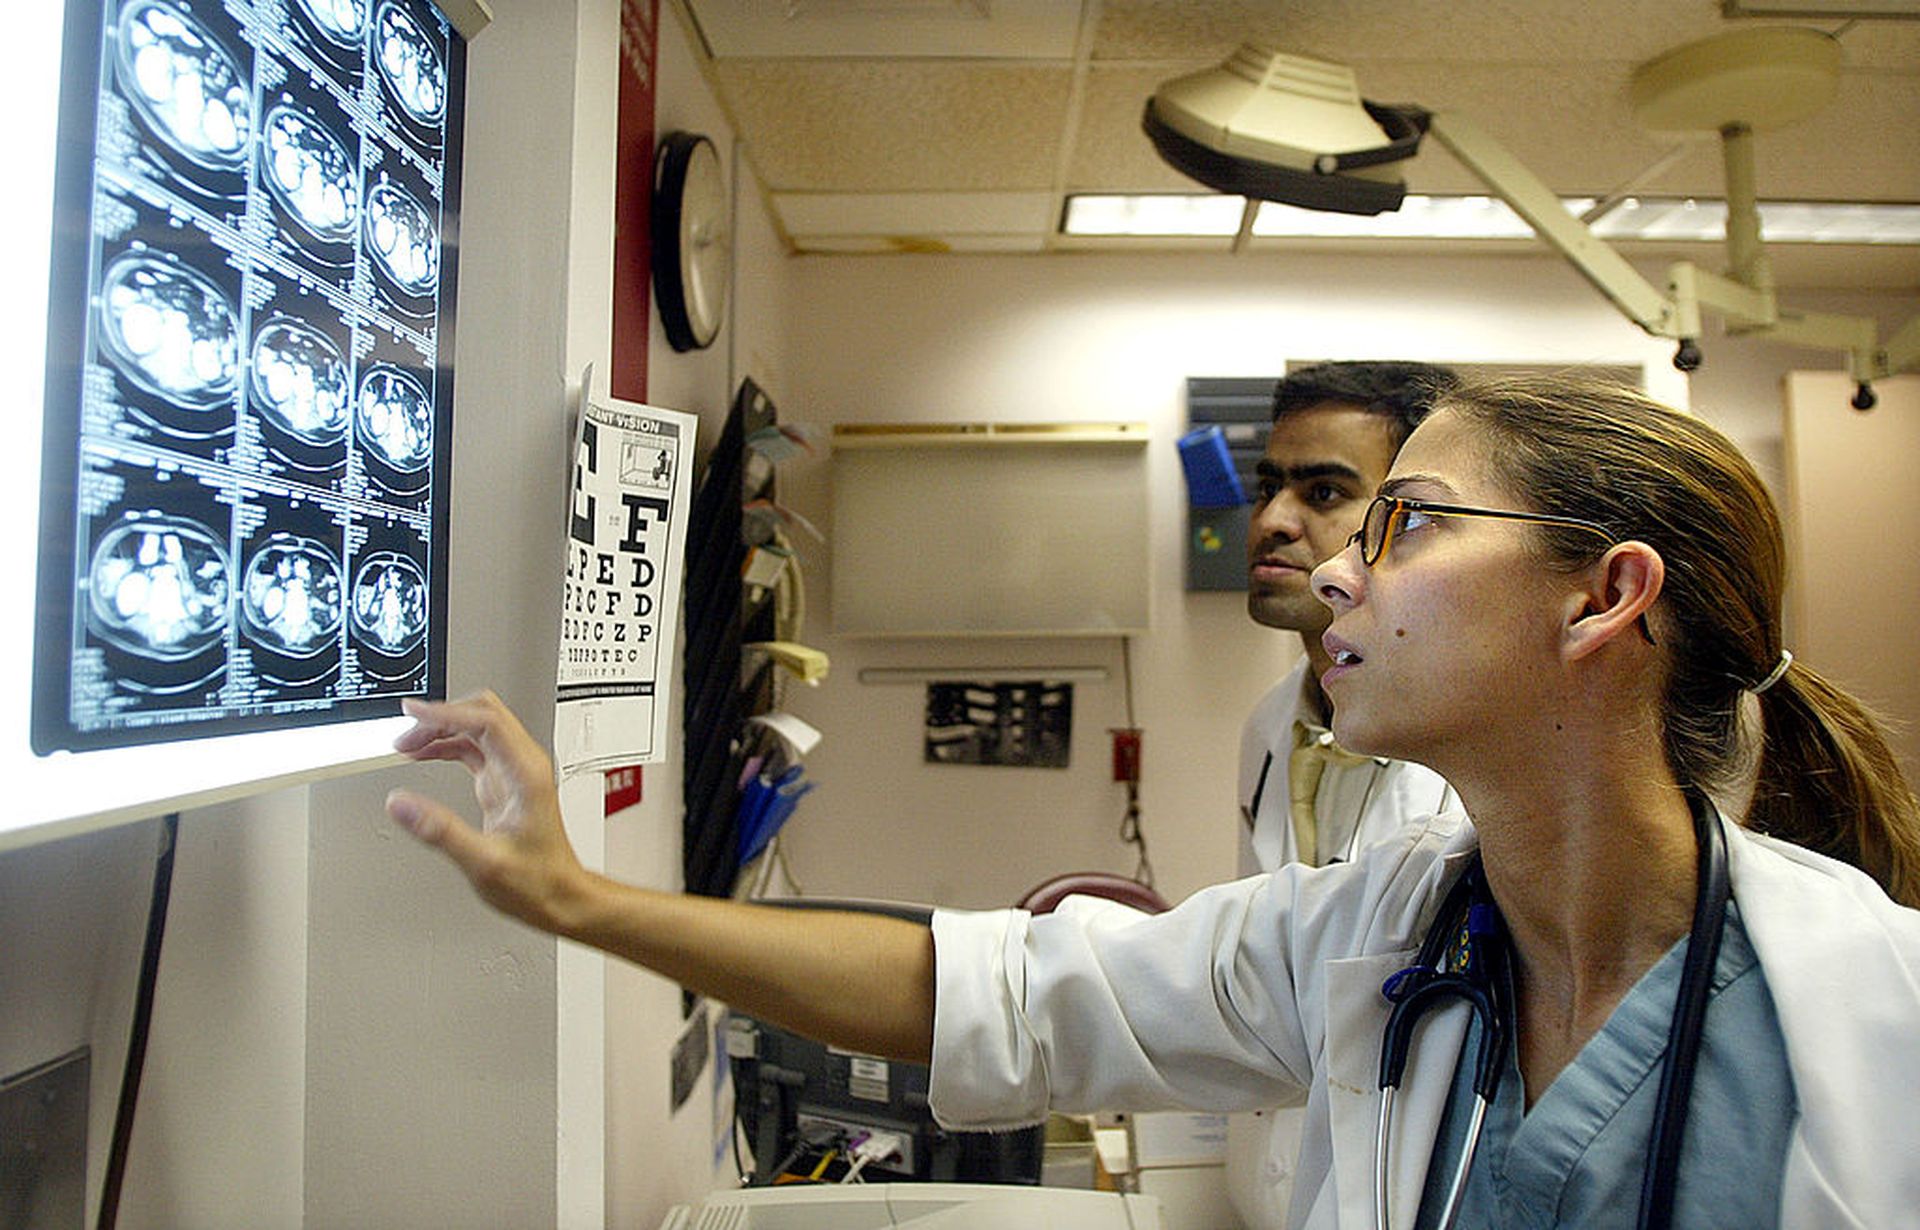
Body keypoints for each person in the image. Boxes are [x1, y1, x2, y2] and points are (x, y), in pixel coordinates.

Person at [388, 375, 1920, 1228]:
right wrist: (582, 901)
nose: (1332, 564)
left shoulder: (1876, 1023)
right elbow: (998, 985)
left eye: (1401, 521)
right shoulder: (1375, 929)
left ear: (1606, 597)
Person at [1231, 360, 1462, 1227]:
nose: (1271, 522)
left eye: (1323, 491)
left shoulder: (1471, 749)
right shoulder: (1269, 727)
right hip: (1281, 1186)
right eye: (1269, 487)